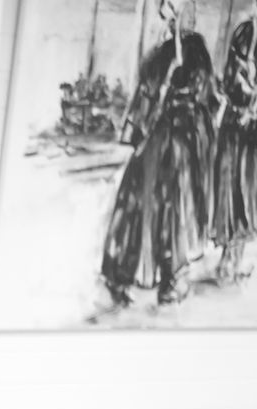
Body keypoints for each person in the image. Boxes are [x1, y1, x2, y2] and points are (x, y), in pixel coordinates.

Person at [100, 0, 219, 307]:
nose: (173, 17)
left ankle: (156, 279)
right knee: (154, 205)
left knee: (165, 207)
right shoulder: (167, 52)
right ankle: (138, 277)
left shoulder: (188, 50)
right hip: (168, 139)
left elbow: (203, 95)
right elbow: (152, 92)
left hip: (177, 139)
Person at [211, 16, 257, 282]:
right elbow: (233, 80)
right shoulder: (245, 32)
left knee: (246, 193)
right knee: (231, 191)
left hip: (249, 131)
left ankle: (234, 260)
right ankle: (228, 260)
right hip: (234, 128)